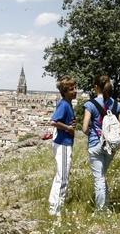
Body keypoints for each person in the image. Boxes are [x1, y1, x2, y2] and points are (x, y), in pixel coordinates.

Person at [82, 75, 120, 211]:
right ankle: (106, 205)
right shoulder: (117, 105)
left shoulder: (90, 104)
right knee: (103, 176)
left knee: (99, 178)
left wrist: (92, 134)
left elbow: (84, 127)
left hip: (95, 143)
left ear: (96, 87)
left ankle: (101, 210)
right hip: (111, 145)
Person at [48, 75, 77, 216]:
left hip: (64, 143)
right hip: (63, 144)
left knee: (60, 175)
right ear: (65, 91)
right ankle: (57, 210)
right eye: (72, 89)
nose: (75, 91)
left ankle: (53, 204)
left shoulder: (67, 103)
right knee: (63, 177)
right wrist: (68, 128)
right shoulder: (64, 104)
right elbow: (54, 121)